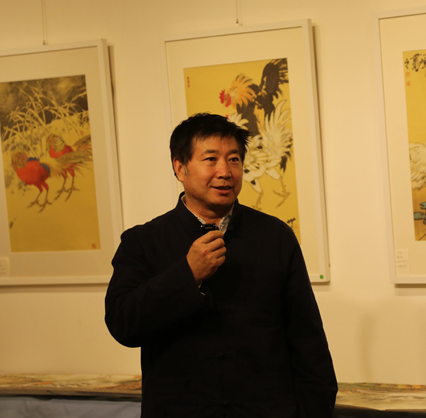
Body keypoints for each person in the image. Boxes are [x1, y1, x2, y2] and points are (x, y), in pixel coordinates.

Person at [105, 113, 337, 417]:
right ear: (180, 168)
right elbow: (123, 324)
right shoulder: (143, 241)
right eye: (211, 159)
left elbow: (308, 341)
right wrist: (187, 274)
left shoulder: (275, 236)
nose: (225, 172)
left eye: (234, 160)